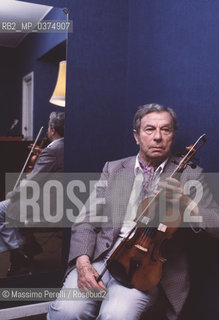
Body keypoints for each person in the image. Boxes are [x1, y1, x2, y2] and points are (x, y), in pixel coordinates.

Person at [47, 104, 218, 320]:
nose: (158, 137)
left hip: (147, 268)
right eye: (150, 129)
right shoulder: (114, 168)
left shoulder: (191, 175)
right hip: (101, 258)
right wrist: (82, 263)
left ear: (173, 136)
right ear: (136, 136)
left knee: (116, 316)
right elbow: (85, 221)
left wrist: (187, 204)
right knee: (66, 312)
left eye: (165, 130)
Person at [0, 111, 65, 276]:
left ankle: (18, 251)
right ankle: (28, 246)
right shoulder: (62, 146)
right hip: (57, 200)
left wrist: (13, 194)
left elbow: (32, 182)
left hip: (43, 204)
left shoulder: (52, 150)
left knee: (2, 210)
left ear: (52, 129)